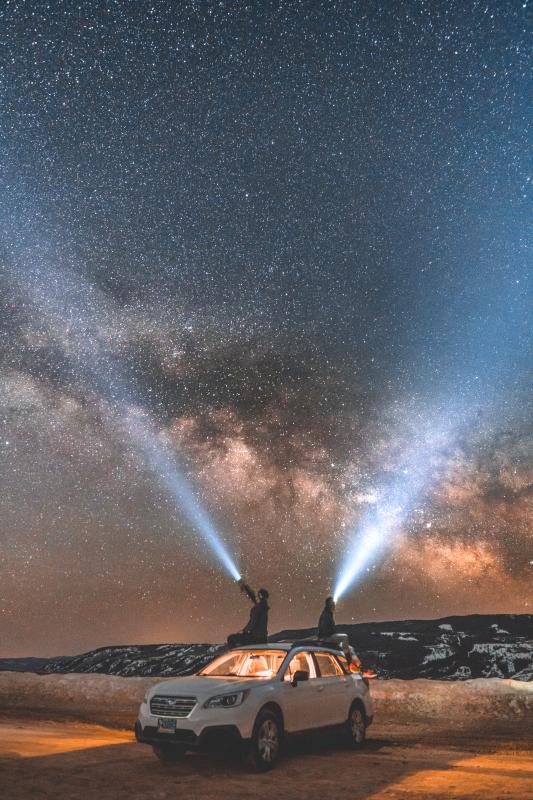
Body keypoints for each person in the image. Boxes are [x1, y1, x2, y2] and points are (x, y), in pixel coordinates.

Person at [227, 579, 269, 649]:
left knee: (231, 638)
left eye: (258, 595)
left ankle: (237, 656)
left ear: (261, 596)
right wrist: (245, 587)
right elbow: (253, 597)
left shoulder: (258, 609)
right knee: (242, 638)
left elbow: (253, 623)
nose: (256, 597)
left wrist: (243, 631)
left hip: (255, 638)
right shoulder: (263, 606)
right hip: (262, 638)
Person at [317, 596, 352, 663]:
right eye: (332, 603)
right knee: (345, 637)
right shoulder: (326, 615)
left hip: (327, 636)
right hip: (326, 638)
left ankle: (347, 659)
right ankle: (348, 660)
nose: (334, 604)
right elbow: (325, 630)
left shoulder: (328, 614)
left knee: (349, 648)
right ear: (329, 604)